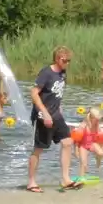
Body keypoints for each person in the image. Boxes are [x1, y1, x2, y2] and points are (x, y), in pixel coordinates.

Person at [27, 46, 77, 192]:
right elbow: (34, 93)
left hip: (56, 114)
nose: (67, 63)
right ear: (57, 59)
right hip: (43, 114)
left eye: (69, 61)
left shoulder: (63, 73)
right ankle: (31, 182)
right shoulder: (46, 73)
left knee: (68, 142)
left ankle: (66, 179)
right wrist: (45, 112)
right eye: (65, 60)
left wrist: (58, 108)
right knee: (39, 148)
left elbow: (57, 93)